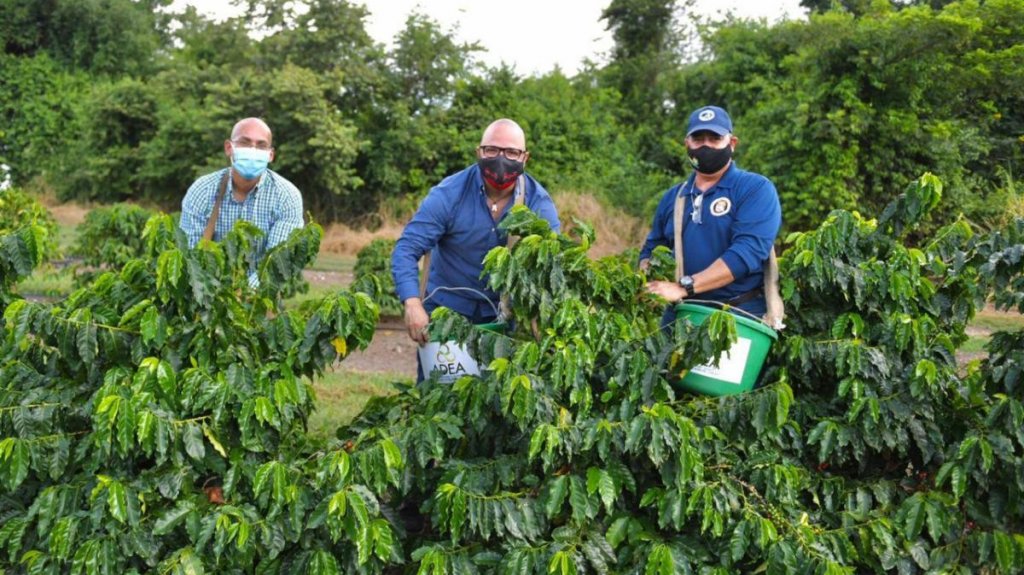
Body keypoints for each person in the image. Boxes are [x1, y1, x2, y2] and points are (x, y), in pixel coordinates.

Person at [391, 118, 561, 348]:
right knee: (438, 384)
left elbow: (552, 264)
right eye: (492, 150)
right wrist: (412, 304)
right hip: (445, 314)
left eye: (511, 152)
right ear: (479, 152)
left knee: (495, 382)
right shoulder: (449, 194)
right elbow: (407, 249)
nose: (501, 159)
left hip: (502, 320)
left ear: (525, 158)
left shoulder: (537, 204)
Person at [640, 105, 782, 322]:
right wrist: (648, 279)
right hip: (681, 314)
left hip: (737, 314)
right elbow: (652, 248)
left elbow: (748, 252)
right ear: (687, 143)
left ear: (731, 143)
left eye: (714, 138)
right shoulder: (674, 198)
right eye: (698, 139)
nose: (705, 145)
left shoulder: (754, 189)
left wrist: (685, 286)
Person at [179, 117, 304, 285]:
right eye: (245, 143)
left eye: (261, 145)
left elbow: (274, 263)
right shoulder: (203, 190)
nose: (253, 150)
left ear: (270, 155)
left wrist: (243, 295)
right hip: (207, 295)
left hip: (259, 301)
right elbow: (191, 254)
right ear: (229, 148)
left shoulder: (286, 196)